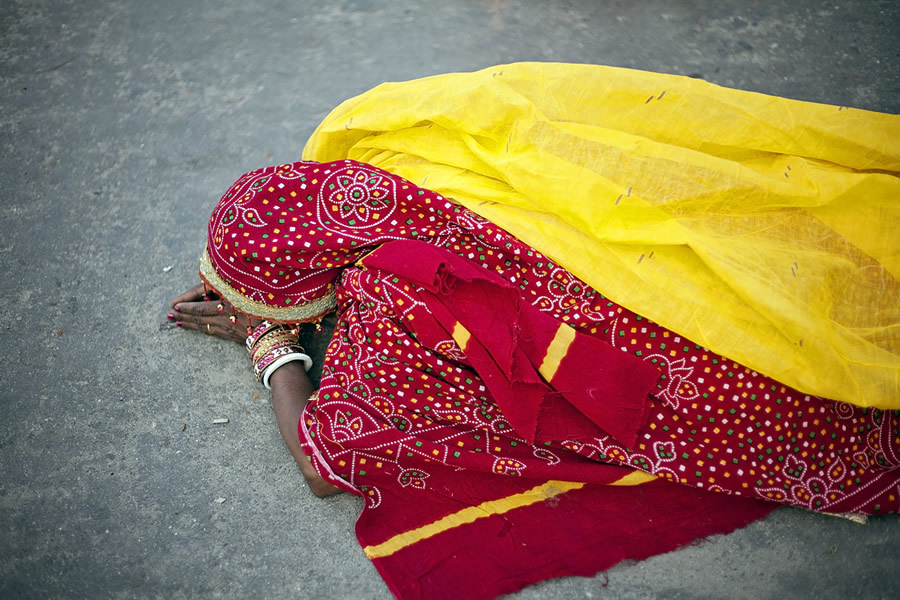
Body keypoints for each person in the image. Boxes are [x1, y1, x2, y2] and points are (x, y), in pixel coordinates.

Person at [168, 64, 900, 600]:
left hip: (745, 405)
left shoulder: (387, 319)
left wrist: (271, 344)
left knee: (778, 397)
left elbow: (322, 464)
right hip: (731, 288)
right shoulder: (407, 153)